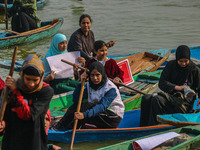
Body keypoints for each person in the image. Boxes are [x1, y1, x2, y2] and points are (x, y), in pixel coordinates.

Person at [0, 54, 54, 150]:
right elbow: (7, 113)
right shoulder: (13, 87)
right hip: (12, 140)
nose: (31, 84)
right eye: (28, 79)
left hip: (33, 140)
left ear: (41, 77)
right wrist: (3, 123)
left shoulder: (46, 91)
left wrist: (15, 91)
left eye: (35, 80)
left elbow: (29, 115)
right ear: (22, 75)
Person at [53, 62, 125, 131]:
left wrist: (84, 115)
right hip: (98, 115)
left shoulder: (111, 88)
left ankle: (69, 129)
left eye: (97, 75)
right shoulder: (89, 85)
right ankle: (60, 126)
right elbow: (76, 100)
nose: (95, 78)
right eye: (92, 75)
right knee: (77, 106)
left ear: (102, 75)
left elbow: (102, 106)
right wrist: (81, 84)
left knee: (85, 107)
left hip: (112, 118)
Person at [140, 45, 200, 126]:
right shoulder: (170, 66)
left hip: (184, 103)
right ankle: (144, 125)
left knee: (157, 99)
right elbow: (162, 83)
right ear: (177, 59)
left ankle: (156, 125)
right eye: (180, 61)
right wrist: (178, 87)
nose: (183, 63)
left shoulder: (195, 70)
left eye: (186, 61)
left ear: (189, 59)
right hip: (170, 96)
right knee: (146, 98)